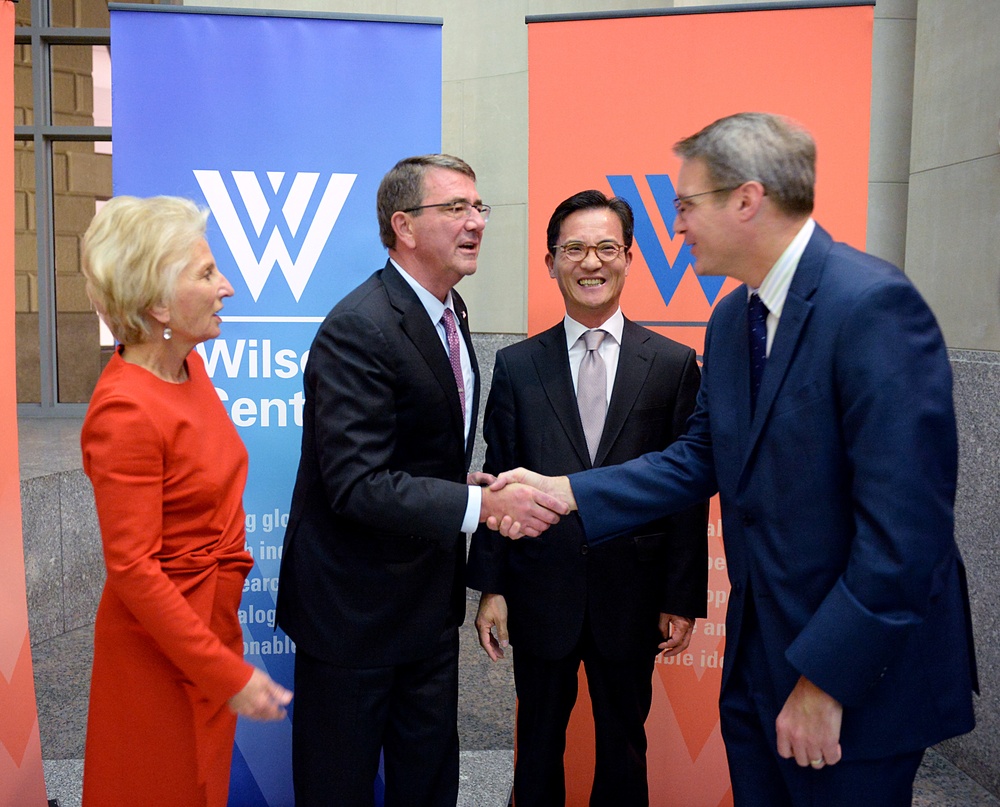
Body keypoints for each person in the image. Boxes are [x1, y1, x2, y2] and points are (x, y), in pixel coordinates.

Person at [492, 113, 978, 807]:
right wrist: (568, 491)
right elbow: (696, 459)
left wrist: (826, 678)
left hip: (855, 678)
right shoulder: (730, 321)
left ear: (747, 200)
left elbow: (907, 535)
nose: (678, 228)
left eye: (686, 206)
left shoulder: (872, 306)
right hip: (759, 665)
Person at [275, 154, 568, 806]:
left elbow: (407, 450)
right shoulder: (359, 327)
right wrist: (480, 505)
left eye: (479, 206)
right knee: (337, 787)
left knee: (429, 783)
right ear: (403, 225)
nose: (476, 222)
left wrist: (457, 482)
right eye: (456, 208)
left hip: (428, 612)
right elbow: (354, 482)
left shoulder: (451, 313)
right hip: (353, 619)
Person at [467, 190, 708, 806]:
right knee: (538, 746)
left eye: (606, 248)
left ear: (629, 258)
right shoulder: (519, 366)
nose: (590, 262)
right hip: (539, 588)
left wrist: (681, 596)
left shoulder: (674, 365)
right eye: (574, 249)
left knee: (625, 749)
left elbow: (685, 487)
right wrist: (492, 588)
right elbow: (498, 477)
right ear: (551, 262)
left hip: (633, 592)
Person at [79, 196, 292, 807]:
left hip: (208, 633)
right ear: (156, 304)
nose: (226, 286)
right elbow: (134, 570)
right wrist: (226, 673)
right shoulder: (126, 411)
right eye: (204, 274)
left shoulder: (187, 367)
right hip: (158, 656)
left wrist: (222, 658)